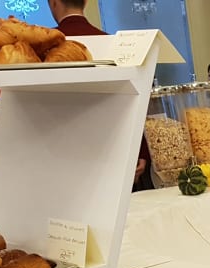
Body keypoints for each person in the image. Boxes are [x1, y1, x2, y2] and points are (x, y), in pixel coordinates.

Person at [48, 0, 151, 190]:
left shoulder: (48, 47)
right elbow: (131, 100)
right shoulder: (115, 45)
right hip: (115, 149)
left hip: (63, 155)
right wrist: (141, 151)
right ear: (86, 2)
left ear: (53, 3)